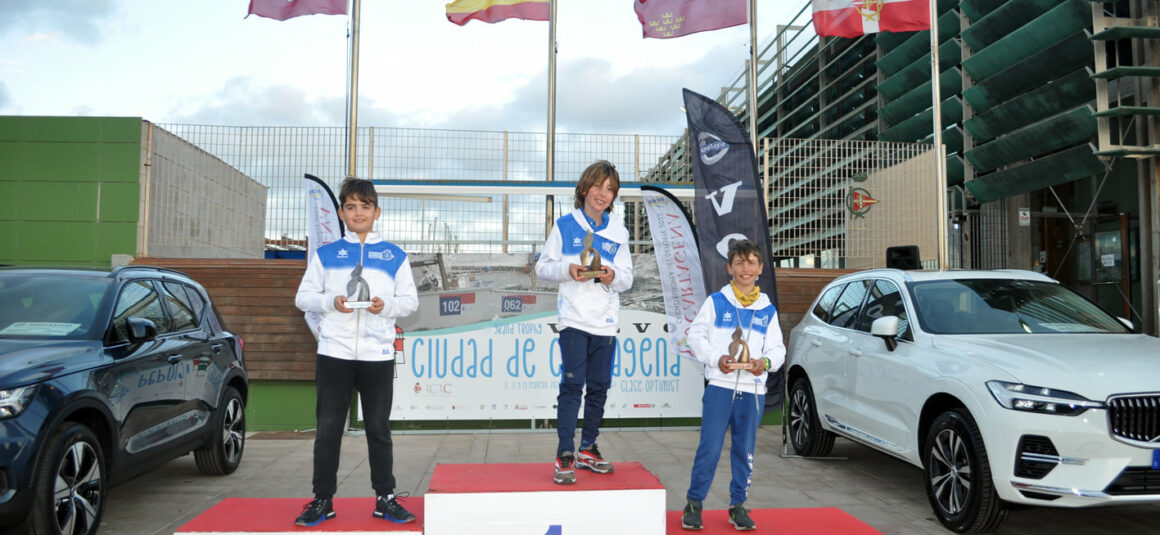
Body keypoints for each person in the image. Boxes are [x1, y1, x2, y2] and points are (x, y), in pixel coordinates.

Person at [292, 178, 419, 526]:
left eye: (365, 206)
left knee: (378, 429)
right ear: (341, 213)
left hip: (377, 355)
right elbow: (302, 298)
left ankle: (385, 498)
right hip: (335, 353)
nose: (358, 213)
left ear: (377, 212)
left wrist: (385, 305)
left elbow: (410, 302)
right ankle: (322, 499)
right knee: (328, 429)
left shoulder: (394, 256)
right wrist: (330, 302)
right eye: (351, 207)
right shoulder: (326, 255)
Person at [535, 160, 634, 484]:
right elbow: (543, 267)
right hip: (573, 320)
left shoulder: (618, 231)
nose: (602, 194)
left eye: (610, 189)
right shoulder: (565, 225)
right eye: (597, 187)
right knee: (572, 385)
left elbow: (627, 279)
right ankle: (565, 452)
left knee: (599, 386)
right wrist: (568, 270)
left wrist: (611, 276)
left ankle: (588, 448)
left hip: (605, 323)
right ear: (584, 188)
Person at [681, 239, 784, 531]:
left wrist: (764, 362)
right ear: (729, 268)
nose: (745, 268)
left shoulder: (767, 310)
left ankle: (738, 504)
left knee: (745, 451)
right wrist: (716, 358)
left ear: (760, 268)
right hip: (720, 387)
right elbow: (695, 337)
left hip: (753, 391)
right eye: (739, 263)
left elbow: (778, 349)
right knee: (710, 448)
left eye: (751, 263)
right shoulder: (716, 301)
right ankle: (694, 502)